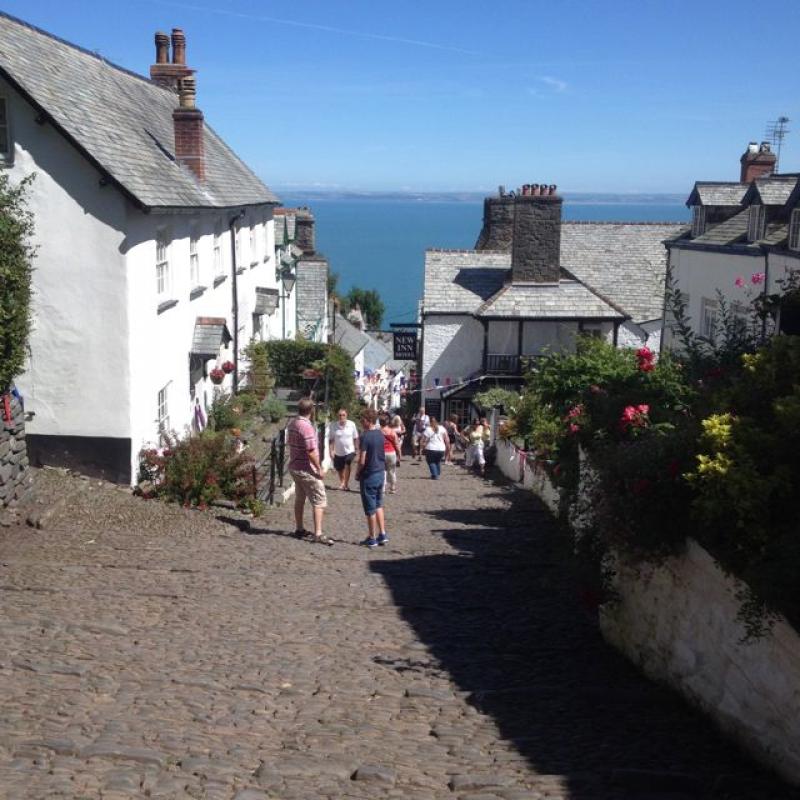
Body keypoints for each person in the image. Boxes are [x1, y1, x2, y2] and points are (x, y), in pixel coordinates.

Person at [287, 398, 333, 545]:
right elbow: (311, 451)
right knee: (319, 499)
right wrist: (319, 469)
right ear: (311, 410)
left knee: (300, 499)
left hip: (295, 466)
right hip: (307, 469)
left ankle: (299, 528)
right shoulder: (306, 427)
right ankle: (318, 533)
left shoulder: (293, 423)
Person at [356, 408, 389, 548]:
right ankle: (382, 534)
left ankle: (372, 537)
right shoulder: (380, 434)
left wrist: (357, 473)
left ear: (367, 421)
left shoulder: (365, 436)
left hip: (369, 474)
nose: (361, 422)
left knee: (370, 508)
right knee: (378, 504)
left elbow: (362, 459)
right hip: (380, 472)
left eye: (362, 420)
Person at [329, 408, 359, 491]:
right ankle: (342, 482)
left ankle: (345, 483)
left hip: (350, 450)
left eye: (343, 415)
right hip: (338, 451)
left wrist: (356, 449)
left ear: (346, 415)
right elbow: (331, 439)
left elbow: (356, 437)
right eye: (340, 415)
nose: (341, 417)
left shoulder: (352, 424)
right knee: (339, 468)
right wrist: (331, 450)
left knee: (347, 464)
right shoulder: (334, 425)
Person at [381, 413, 402, 493]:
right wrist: (399, 454)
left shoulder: (378, 432)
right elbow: (396, 444)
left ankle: (382, 487)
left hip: (381, 453)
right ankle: (392, 487)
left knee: (382, 470)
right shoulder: (392, 432)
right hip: (391, 453)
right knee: (392, 471)